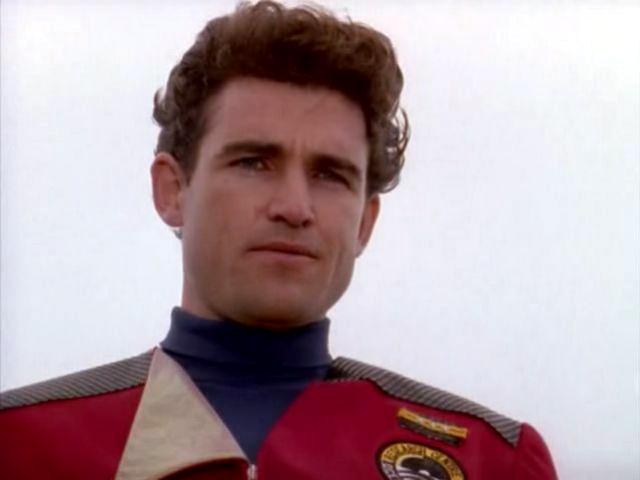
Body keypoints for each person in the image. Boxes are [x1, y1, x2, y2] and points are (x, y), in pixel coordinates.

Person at [0, 1, 557, 479]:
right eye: (253, 162)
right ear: (172, 190)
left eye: (330, 174)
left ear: (365, 223)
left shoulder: (491, 461)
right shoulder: (21, 443)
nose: (294, 207)